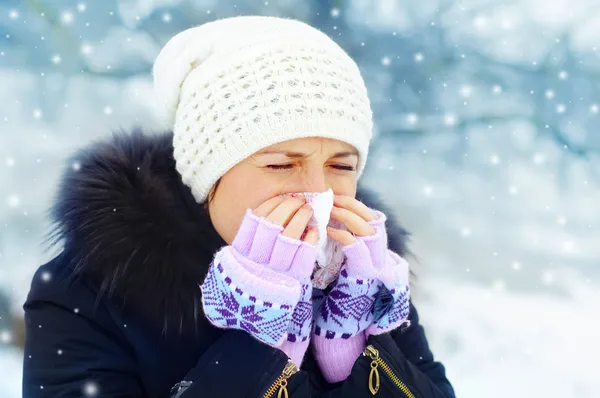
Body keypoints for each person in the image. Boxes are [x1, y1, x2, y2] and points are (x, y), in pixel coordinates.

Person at [22, 16, 455, 398]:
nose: (317, 191)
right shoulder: (87, 293)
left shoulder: (363, 279)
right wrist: (258, 341)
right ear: (209, 176)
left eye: (341, 165)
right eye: (282, 164)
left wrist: (356, 350)